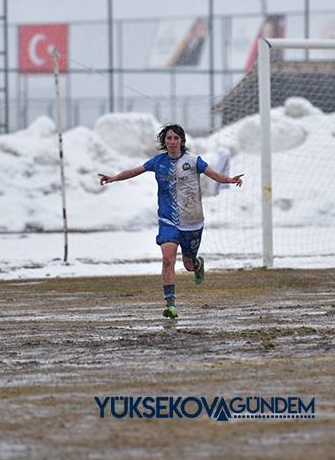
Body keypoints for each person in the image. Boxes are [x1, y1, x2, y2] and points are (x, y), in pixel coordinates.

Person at [98, 124, 243, 319]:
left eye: (176, 138)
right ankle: (170, 304)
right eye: (168, 138)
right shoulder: (158, 162)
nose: (172, 142)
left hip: (192, 220)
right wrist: (114, 178)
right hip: (168, 220)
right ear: (164, 142)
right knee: (168, 259)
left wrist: (230, 179)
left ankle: (197, 265)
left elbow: (215, 175)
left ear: (182, 141)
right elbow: (134, 171)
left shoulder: (193, 161)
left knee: (188, 265)